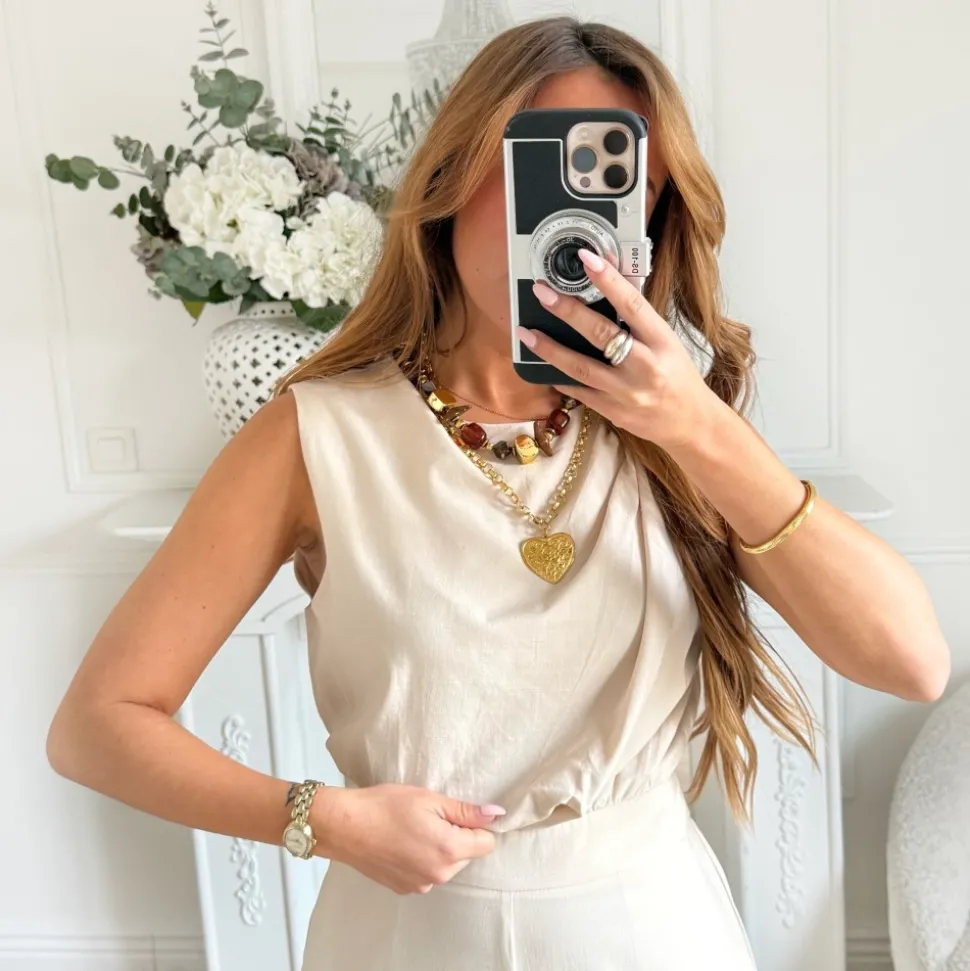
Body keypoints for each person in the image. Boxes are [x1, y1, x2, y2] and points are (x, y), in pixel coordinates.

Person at [46, 16, 950, 971]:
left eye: (618, 186)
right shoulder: (315, 437)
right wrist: (321, 818)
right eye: (539, 170)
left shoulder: (684, 427)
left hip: (649, 929)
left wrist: (698, 425)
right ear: (452, 177)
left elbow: (913, 662)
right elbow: (96, 723)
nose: (571, 221)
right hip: (403, 937)